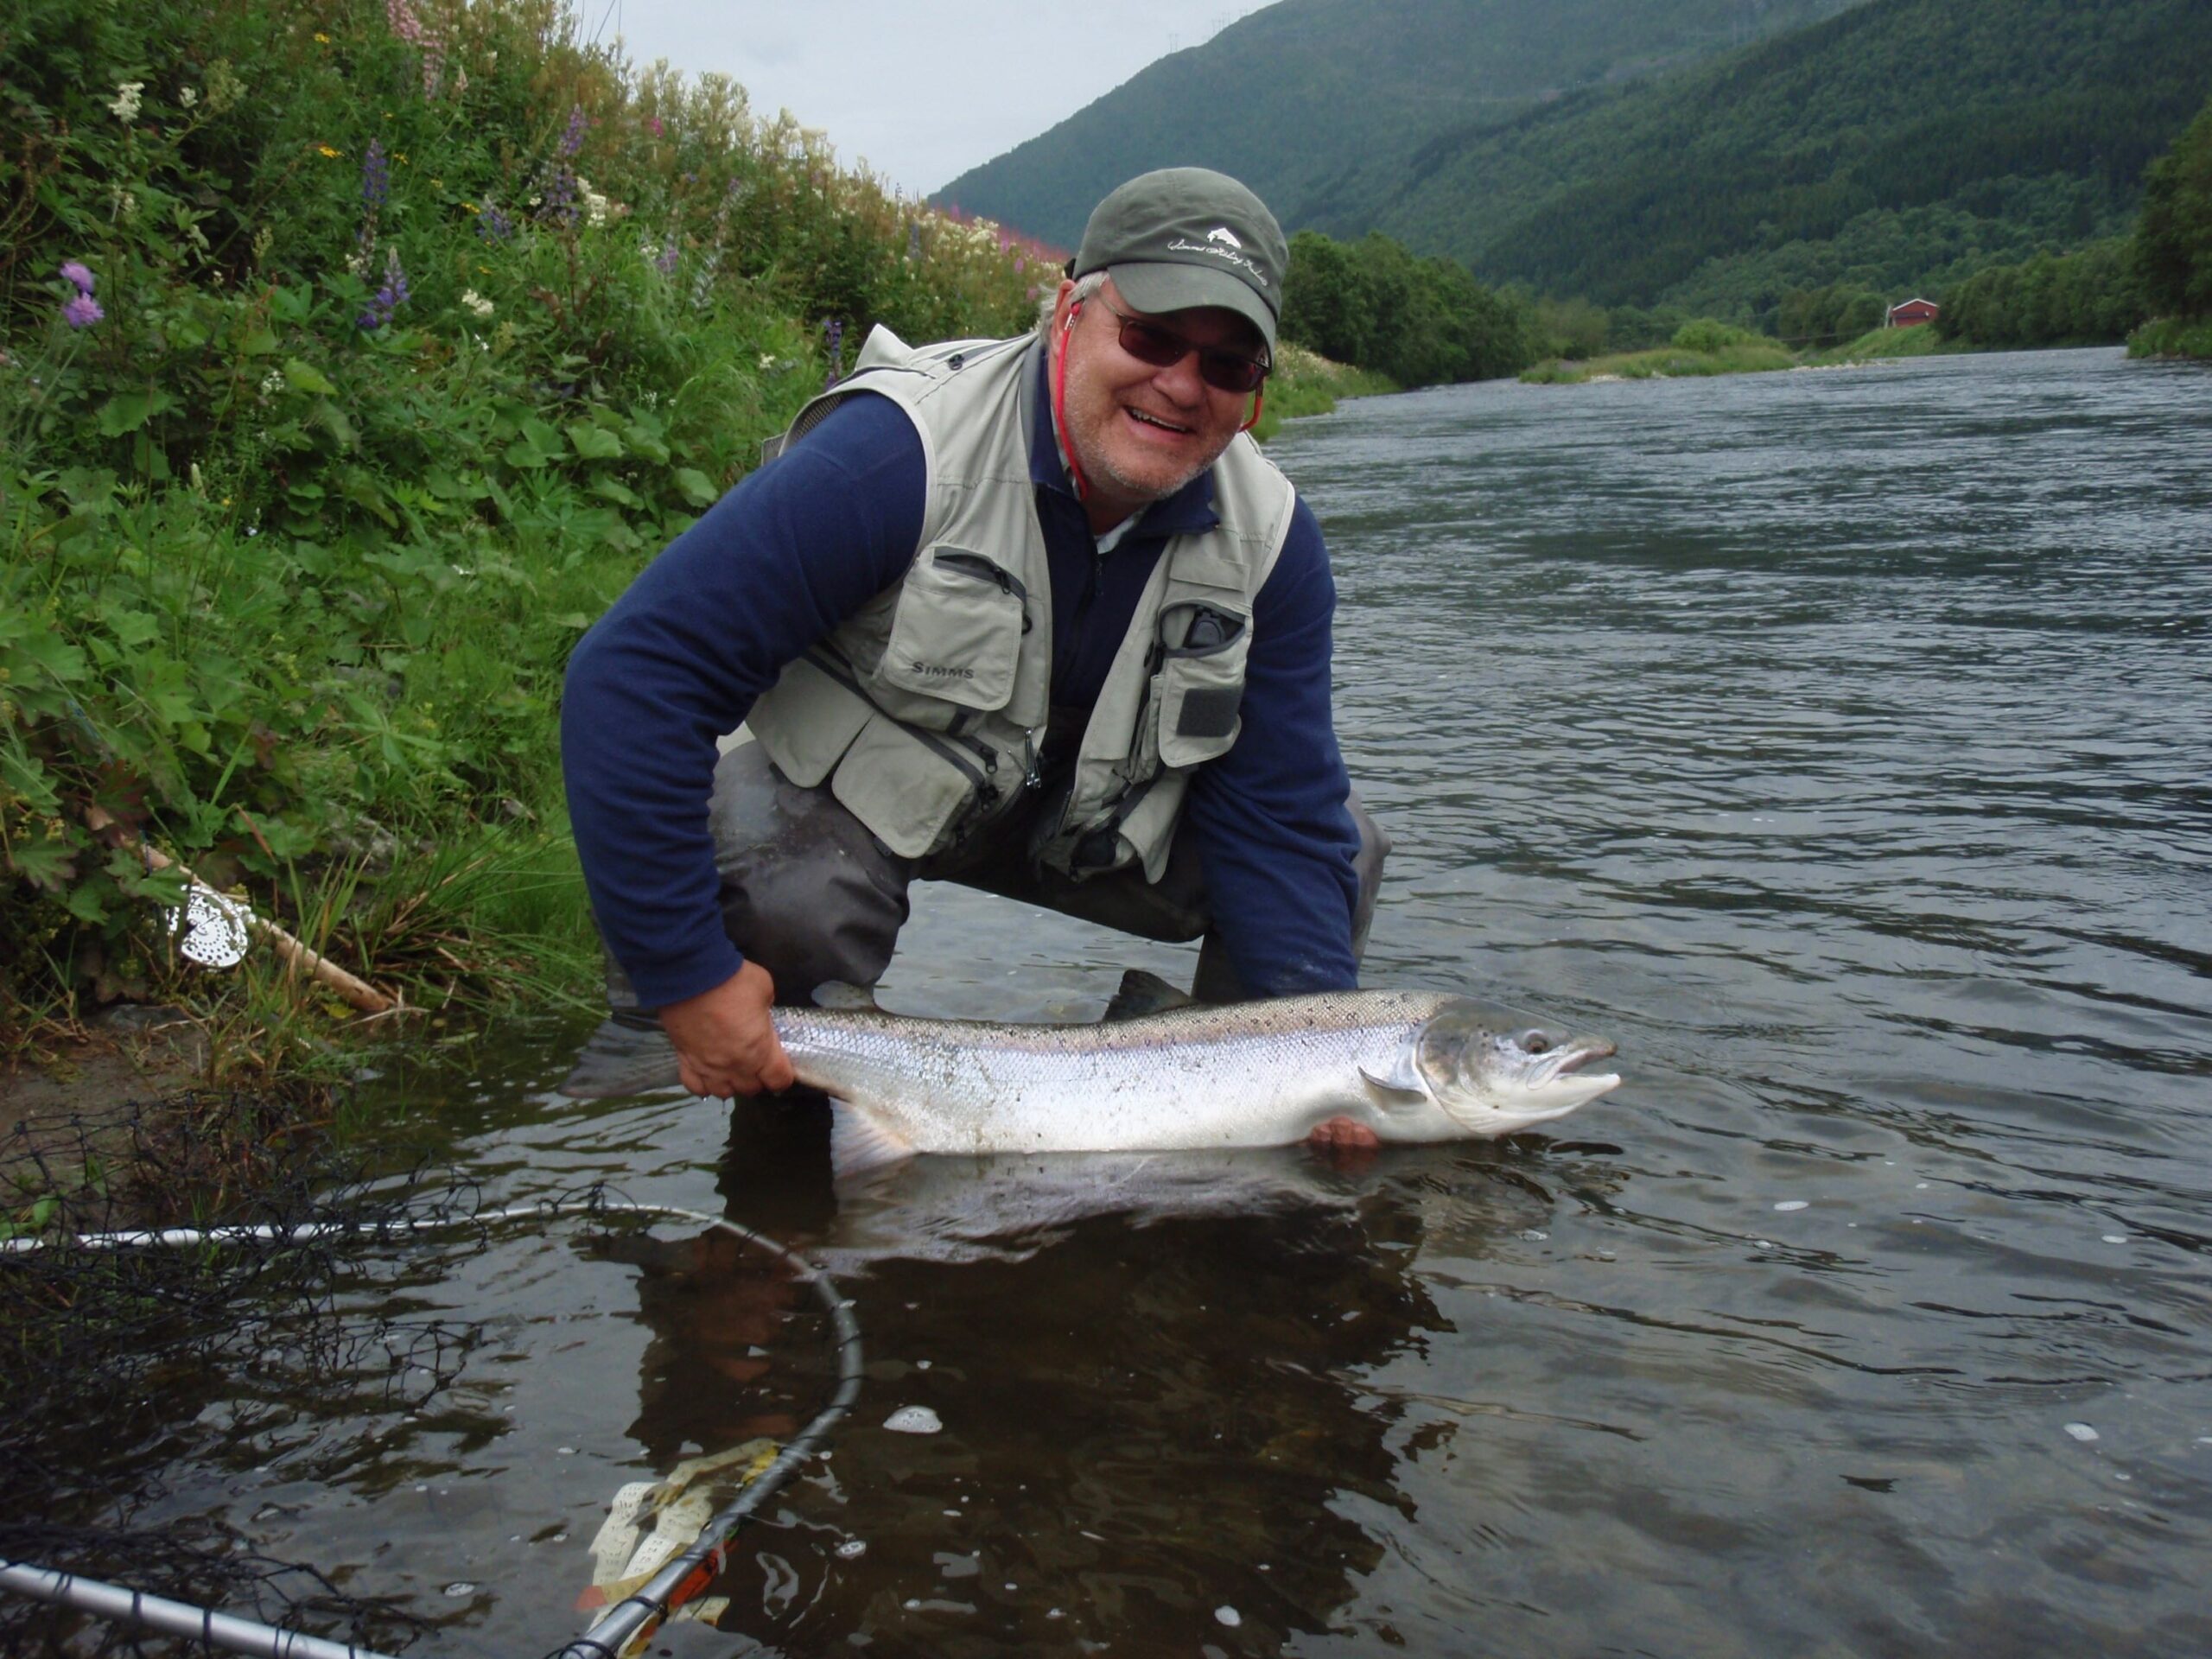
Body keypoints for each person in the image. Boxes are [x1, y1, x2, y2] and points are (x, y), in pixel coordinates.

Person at [559, 167, 1389, 1120]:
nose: (1180, 384)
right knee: (774, 879)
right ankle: (794, 1149)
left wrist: (1320, 1059)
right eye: (1151, 336)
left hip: (1094, 830)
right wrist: (684, 974)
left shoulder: (1274, 544)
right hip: (874, 807)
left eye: (1228, 365)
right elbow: (636, 678)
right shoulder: (895, 457)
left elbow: (1281, 817)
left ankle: (1228, 1153)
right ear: (1067, 309)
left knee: (1338, 851)